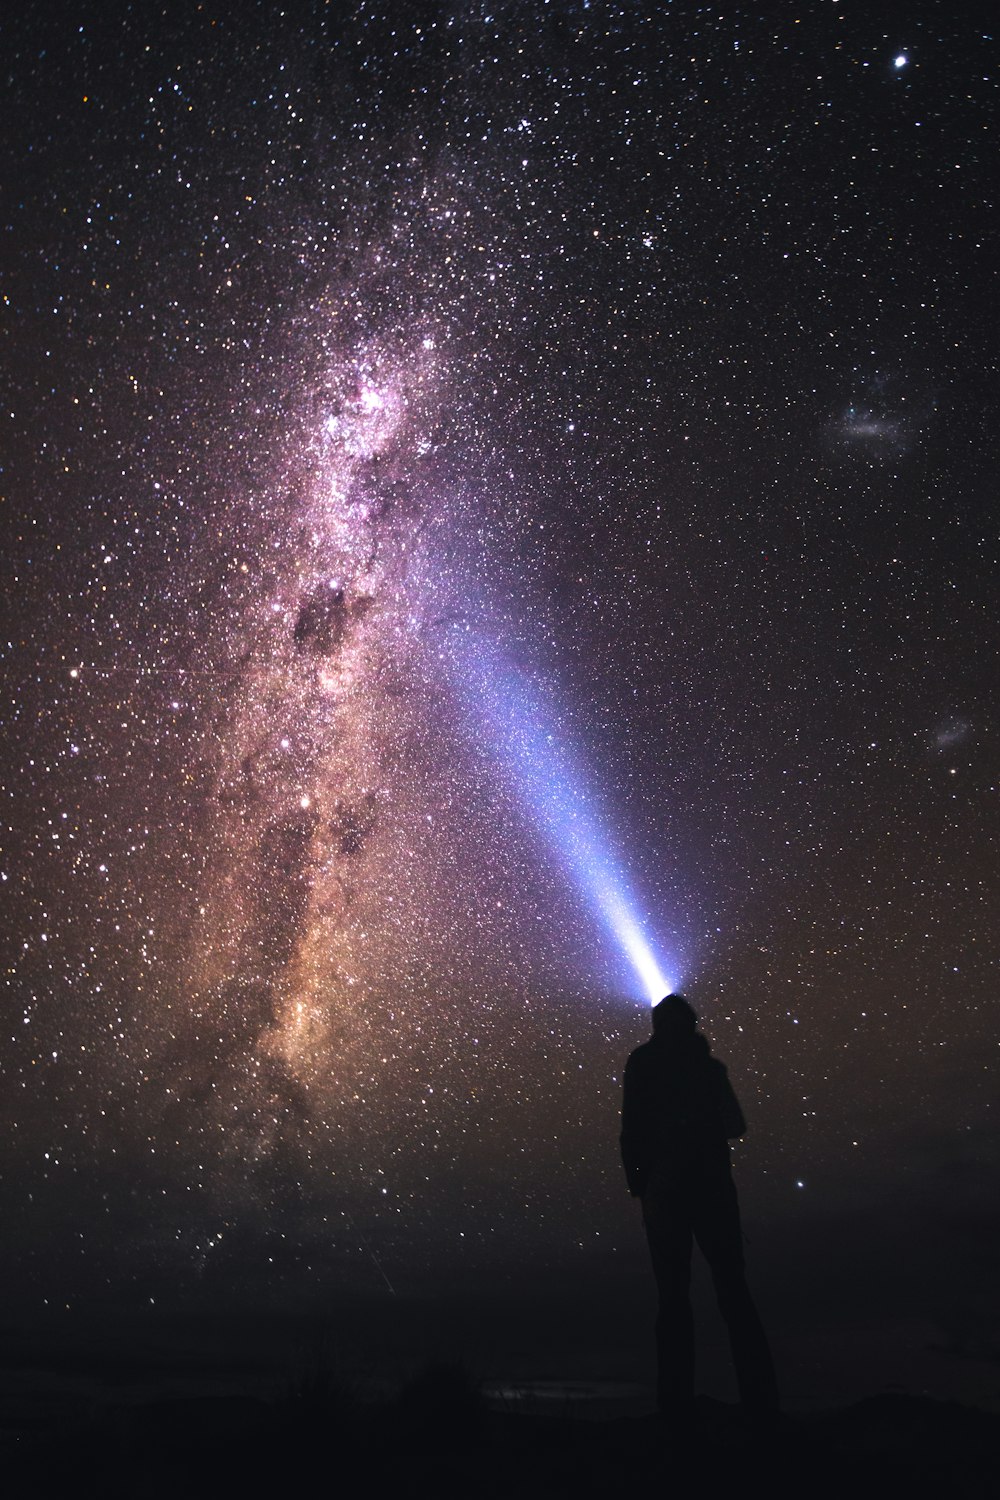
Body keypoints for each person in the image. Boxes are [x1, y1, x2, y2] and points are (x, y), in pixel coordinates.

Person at [620, 994, 778, 1423]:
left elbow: (630, 1128)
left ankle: (675, 1409)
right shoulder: (709, 1069)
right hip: (712, 1189)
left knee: (673, 1298)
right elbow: (736, 1125)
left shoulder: (643, 1063)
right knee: (733, 1291)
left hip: (664, 1190)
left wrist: (641, 1183)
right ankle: (761, 1405)